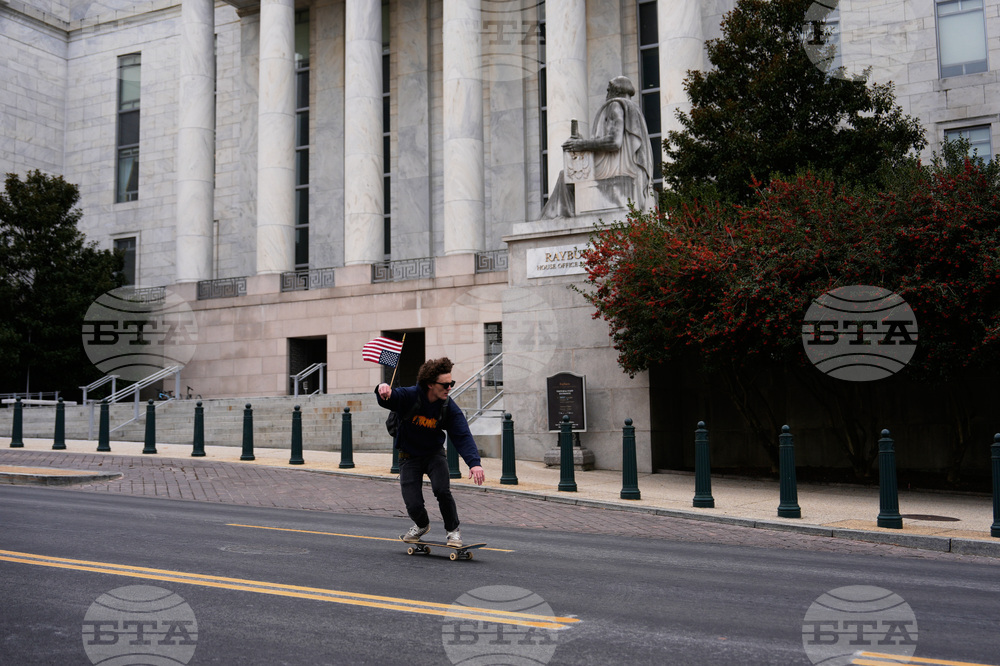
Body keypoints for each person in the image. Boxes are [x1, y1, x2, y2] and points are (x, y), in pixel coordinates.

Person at [375, 357, 485, 547]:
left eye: (451, 383)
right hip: (408, 456)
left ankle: (453, 532)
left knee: (442, 491)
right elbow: (389, 399)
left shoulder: (447, 406)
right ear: (430, 384)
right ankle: (421, 525)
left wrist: (474, 463)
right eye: (445, 384)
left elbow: (462, 435)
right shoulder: (410, 396)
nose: (449, 388)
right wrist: (382, 388)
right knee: (413, 504)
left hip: (434, 454)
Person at [541, 75, 654, 217]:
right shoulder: (635, 109)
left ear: (616, 91)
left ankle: (560, 217)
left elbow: (614, 142)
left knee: (565, 177)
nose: (607, 94)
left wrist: (581, 145)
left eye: (608, 90)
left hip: (618, 170)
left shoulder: (615, 105)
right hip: (631, 170)